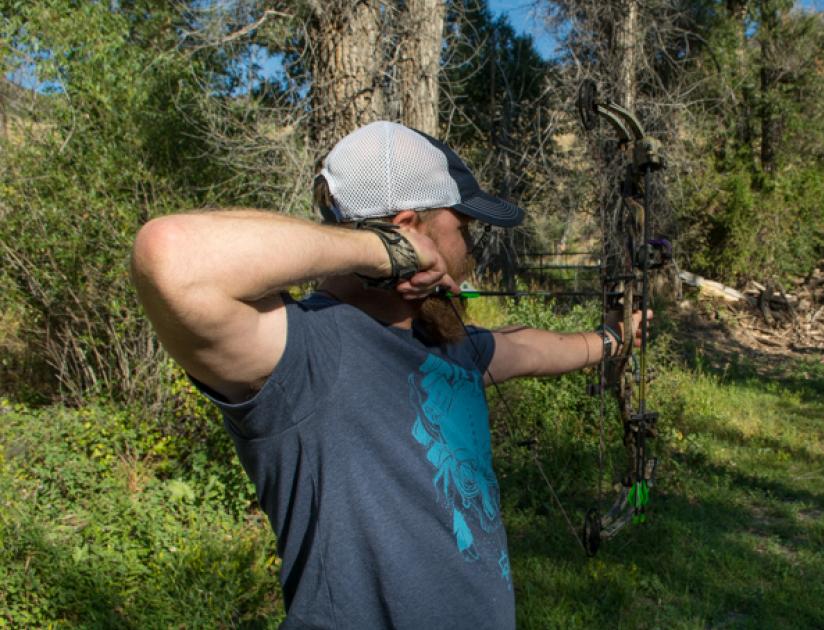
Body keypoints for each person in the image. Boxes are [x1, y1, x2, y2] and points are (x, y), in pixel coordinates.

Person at [131, 121, 648, 628]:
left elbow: (526, 347)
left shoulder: (444, 344)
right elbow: (168, 253)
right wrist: (385, 251)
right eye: (463, 229)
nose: (470, 249)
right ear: (408, 227)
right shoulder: (305, 350)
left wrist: (615, 338)